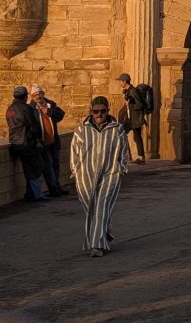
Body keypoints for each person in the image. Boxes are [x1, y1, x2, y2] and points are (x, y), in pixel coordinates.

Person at [70, 96, 129, 258]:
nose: (99, 114)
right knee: (91, 208)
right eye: (96, 111)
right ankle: (104, 232)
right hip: (85, 174)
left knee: (102, 206)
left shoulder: (117, 129)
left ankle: (96, 245)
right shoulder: (82, 130)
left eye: (103, 111)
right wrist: (75, 171)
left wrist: (121, 168)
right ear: (91, 111)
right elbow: (74, 152)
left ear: (108, 111)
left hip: (110, 173)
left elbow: (124, 150)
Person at [6, 85, 47, 202]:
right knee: (38, 166)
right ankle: (34, 194)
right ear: (25, 97)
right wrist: (38, 139)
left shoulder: (10, 109)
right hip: (26, 143)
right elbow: (34, 126)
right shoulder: (25, 108)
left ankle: (31, 193)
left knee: (29, 168)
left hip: (15, 143)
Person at [31, 85, 68, 197]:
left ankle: (57, 186)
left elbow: (61, 115)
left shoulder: (50, 104)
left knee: (56, 165)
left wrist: (49, 111)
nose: (38, 96)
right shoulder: (31, 108)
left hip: (53, 141)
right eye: (35, 95)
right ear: (32, 96)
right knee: (48, 166)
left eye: (40, 94)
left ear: (43, 94)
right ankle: (53, 189)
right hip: (43, 142)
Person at [117, 73, 146, 164]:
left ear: (125, 81)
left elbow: (140, 105)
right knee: (123, 134)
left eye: (120, 81)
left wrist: (129, 104)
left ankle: (140, 157)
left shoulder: (133, 91)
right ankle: (129, 155)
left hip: (135, 119)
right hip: (130, 119)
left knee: (136, 137)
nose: (120, 83)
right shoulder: (128, 91)